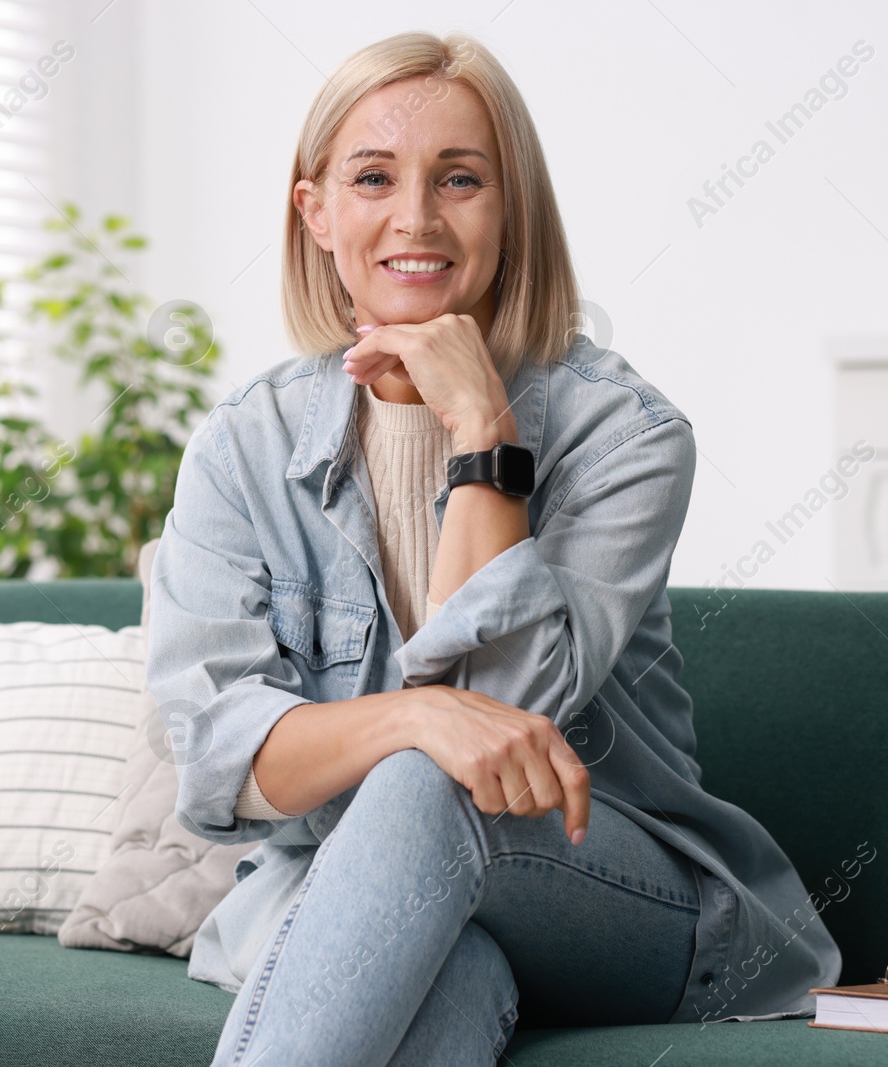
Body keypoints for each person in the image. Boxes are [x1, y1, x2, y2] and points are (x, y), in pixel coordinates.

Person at [146, 30, 841, 1067]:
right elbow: (215, 763)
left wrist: (483, 434)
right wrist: (416, 712)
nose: (415, 217)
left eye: (459, 178)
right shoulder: (240, 446)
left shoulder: (627, 437)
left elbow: (497, 735)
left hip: (602, 891)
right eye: (373, 176)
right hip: (338, 891)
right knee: (451, 965)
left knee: (434, 780)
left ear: (509, 207)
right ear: (317, 211)